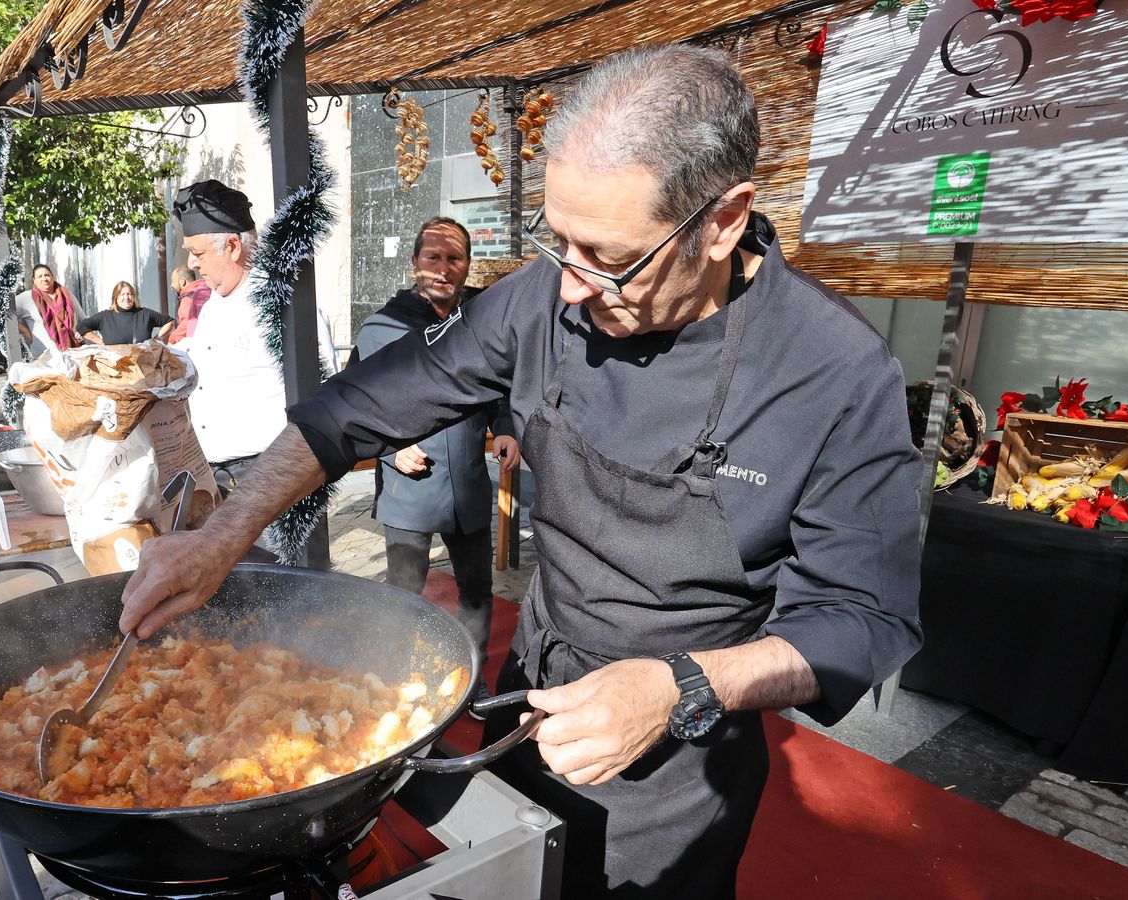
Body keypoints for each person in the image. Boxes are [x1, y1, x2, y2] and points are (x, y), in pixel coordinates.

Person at [121, 46, 923, 898]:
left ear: (723, 222)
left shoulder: (835, 372)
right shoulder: (547, 294)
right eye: (557, 240)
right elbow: (357, 406)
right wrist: (222, 536)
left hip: (679, 754)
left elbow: (861, 618)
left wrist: (681, 685)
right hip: (531, 696)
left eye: (607, 257)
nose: (569, 287)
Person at [357, 216, 520, 663]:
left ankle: (471, 673)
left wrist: (506, 428)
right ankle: (395, 675)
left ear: (467, 265)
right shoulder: (382, 328)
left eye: (454, 258)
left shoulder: (479, 323)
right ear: (414, 263)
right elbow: (359, 406)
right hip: (409, 490)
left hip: (467, 487)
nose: (443, 268)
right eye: (433, 257)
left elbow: (497, 390)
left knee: (477, 590)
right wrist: (390, 449)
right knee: (404, 593)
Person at [171, 179, 336, 494]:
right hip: (216, 476)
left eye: (197, 252)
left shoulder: (284, 305)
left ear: (233, 247)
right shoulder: (214, 302)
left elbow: (324, 394)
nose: (191, 263)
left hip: (269, 476)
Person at [15, 264, 84, 359]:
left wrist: (81, 331)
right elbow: (4, 314)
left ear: (52, 277)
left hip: (73, 355)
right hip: (43, 359)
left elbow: (82, 318)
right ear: (34, 280)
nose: (44, 279)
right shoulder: (26, 299)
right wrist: (24, 330)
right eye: (40, 276)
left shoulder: (67, 296)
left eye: (47, 275)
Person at [75, 281, 173, 345]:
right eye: (122, 294)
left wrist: (155, 341)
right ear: (116, 298)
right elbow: (81, 326)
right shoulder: (105, 317)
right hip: (114, 367)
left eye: (129, 294)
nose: (126, 297)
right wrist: (101, 342)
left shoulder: (145, 314)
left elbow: (169, 321)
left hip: (143, 365)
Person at [167, 265, 213, 345]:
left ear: (182, 281)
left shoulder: (187, 299)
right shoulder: (206, 290)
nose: (172, 285)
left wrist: (172, 340)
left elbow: (186, 323)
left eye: (173, 281)